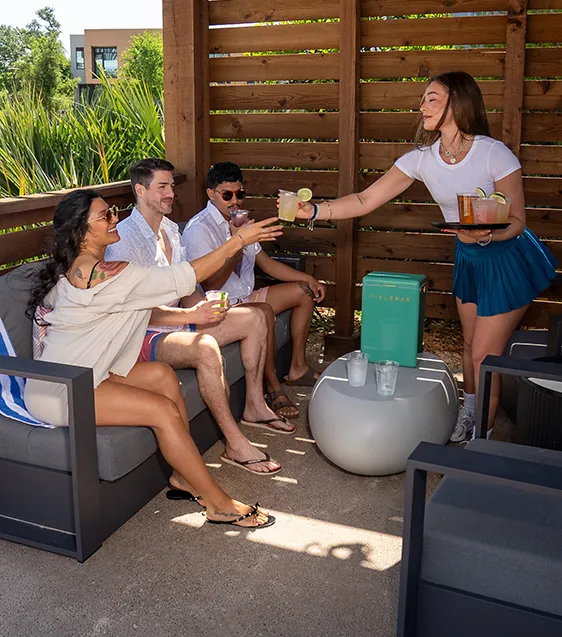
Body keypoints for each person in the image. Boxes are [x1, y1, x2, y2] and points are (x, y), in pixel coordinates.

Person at [292, 70, 557, 442]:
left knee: (484, 356)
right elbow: (366, 199)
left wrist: (487, 235)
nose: (422, 107)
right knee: (469, 346)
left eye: (432, 99)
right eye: (423, 99)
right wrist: (316, 210)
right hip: (470, 258)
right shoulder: (422, 159)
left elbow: (517, 221)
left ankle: (481, 440)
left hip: (508, 259)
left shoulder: (493, 153)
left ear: (458, 103)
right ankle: (470, 412)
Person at [24, 189, 284, 528]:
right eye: (105, 216)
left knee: (161, 374)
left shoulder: (89, 269)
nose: (115, 218)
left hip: (90, 373)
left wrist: (189, 315)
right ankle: (218, 504)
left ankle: (183, 475)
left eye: (113, 210)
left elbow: (136, 306)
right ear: (81, 231)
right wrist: (238, 241)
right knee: (162, 410)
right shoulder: (104, 272)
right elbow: (186, 275)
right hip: (61, 389)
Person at [105, 159, 294, 476]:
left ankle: (254, 405)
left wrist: (206, 307)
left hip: (179, 320)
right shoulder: (125, 239)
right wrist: (191, 314)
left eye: (171, 185)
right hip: (144, 332)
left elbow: (187, 286)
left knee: (256, 317)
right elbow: (131, 309)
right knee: (205, 348)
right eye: (162, 187)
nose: (170, 193)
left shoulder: (170, 230)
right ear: (140, 190)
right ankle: (234, 443)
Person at [183, 161, 326, 420]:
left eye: (240, 194)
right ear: (211, 194)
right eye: (227, 195)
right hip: (222, 305)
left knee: (304, 292)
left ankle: (297, 367)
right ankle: (273, 389)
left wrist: (309, 278)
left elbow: (267, 264)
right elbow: (212, 284)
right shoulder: (198, 229)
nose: (235, 201)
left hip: (245, 296)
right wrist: (237, 242)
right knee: (264, 311)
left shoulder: (242, 221)